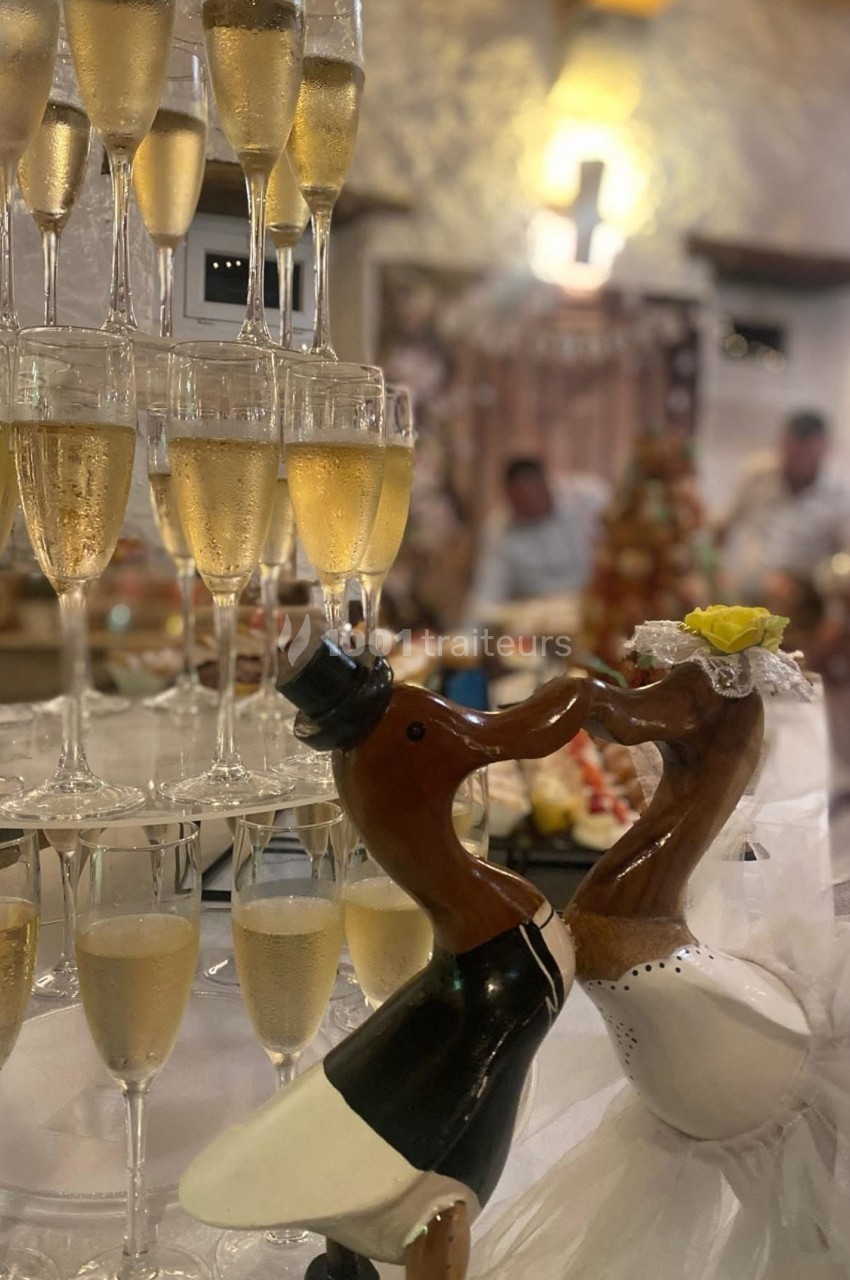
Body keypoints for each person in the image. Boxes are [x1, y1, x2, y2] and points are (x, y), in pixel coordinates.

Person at [718, 410, 850, 606]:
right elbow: (722, 526)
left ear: (824, 450)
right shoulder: (756, 475)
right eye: (791, 452)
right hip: (748, 588)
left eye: (806, 454)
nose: (798, 461)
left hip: (808, 595)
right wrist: (717, 570)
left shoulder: (839, 492)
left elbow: (844, 556)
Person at [468, 458, 609, 620]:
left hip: (591, 609)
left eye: (529, 499)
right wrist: (468, 638)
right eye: (517, 502)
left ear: (546, 486)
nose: (524, 507)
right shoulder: (500, 526)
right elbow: (489, 589)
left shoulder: (590, 499)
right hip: (532, 624)